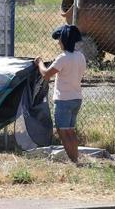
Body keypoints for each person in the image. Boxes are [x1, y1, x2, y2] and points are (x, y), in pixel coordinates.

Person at [34, 24, 86, 164]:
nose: (58, 42)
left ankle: (74, 161)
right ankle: (76, 158)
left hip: (63, 100)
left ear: (63, 40)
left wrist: (39, 62)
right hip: (76, 98)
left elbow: (46, 74)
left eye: (59, 40)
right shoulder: (80, 56)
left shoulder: (63, 58)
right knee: (70, 131)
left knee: (63, 132)